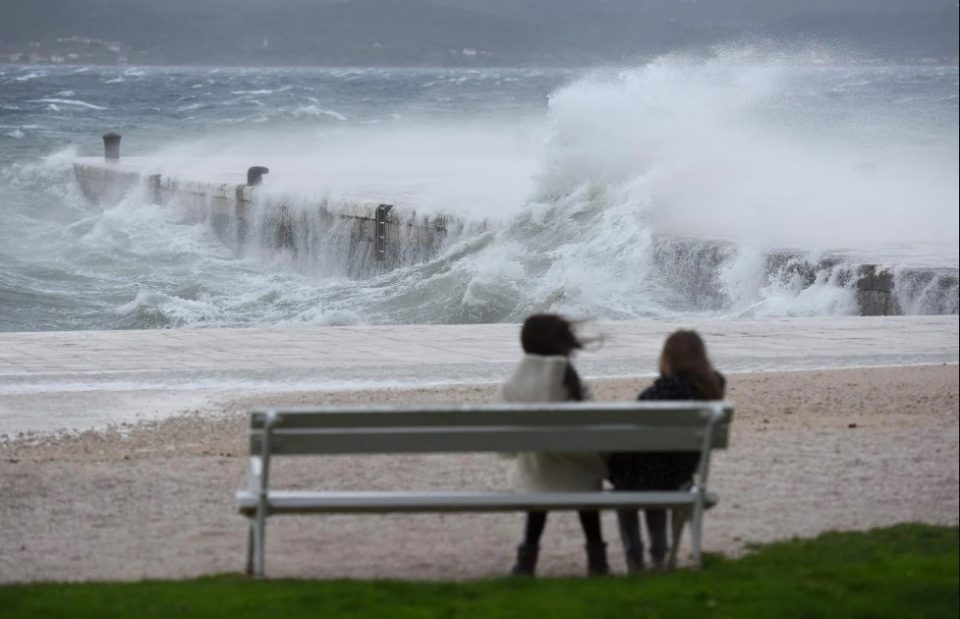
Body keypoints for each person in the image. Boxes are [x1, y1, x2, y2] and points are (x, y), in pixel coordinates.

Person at [606, 330, 725, 572]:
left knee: (630, 478)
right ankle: (659, 551)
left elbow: (631, 436)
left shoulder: (656, 394)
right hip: (681, 475)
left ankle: (634, 554)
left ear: (667, 358)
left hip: (646, 477)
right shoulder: (712, 390)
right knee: (654, 472)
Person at [500, 314, 609, 577]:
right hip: (582, 475)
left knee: (540, 478)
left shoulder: (512, 384)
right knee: (585, 482)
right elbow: (595, 431)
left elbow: (506, 448)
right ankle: (597, 561)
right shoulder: (570, 381)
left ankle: (527, 558)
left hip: (535, 476)